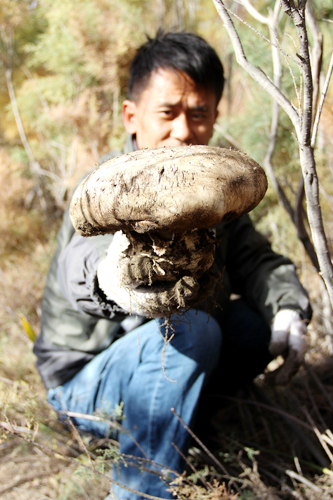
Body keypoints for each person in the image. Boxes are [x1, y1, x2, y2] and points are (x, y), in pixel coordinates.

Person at [33, 31, 312, 500]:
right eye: (168, 112)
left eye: (198, 113)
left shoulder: (212, 201)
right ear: (132, 115)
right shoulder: (105, 192)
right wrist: (114, 280)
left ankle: (193, 421)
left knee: (251, 324)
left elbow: (258, 261)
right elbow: (77, 265)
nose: (183, 131)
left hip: (159, 364)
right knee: (193, 329)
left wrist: (288, 306)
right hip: (84, 384)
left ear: (214, 118)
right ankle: (139, 490)